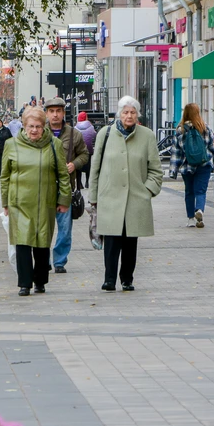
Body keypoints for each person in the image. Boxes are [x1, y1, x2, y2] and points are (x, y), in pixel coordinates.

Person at [88, 96, 163, 292]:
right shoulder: (105, 133)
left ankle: (127, 279)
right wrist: (94, 197)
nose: (129, 116)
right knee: (111, 241)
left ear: (137, 115)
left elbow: (156, 169)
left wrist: (148, 190)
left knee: (131, 242)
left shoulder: (147, 136)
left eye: (132, 112)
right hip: (110, 197)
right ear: (119, 114)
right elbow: (94, 168)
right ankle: (109, 279)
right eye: (125, 112)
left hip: (135, 198)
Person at [1, 107, 70, 296]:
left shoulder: (54, 144)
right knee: (22, 242)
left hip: (44, 201)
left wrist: (64, 199)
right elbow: (5, 176)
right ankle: (24, 283)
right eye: (30, 126)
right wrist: (5, 202)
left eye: (38, 126)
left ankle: (40, 281)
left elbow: (63, 175)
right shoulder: (11, 144)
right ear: (23, 126)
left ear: (44, 126)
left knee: (41, 242)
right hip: (19, 202)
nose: (34, 130)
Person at [44, 97, 89, 273]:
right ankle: (44, 258)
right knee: (44, 227)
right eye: (51, 111)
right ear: (47, 113)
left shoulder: (74, 134)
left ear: (63, 113)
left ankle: (60, 261)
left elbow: (85, 155)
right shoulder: (40, 132)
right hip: (45, 187)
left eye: (58, 111)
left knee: (64, 229)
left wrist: (75, 164)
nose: (55, 115)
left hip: (65, 188)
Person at [169, 103, 214, 229]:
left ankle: (191, 219)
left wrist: (173, 171)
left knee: (189, 192)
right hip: (204, 164)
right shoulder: (205, 128)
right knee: (201, 191)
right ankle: (200, 210)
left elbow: (176, 152)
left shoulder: (180, 130)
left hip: (187, 166)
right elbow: (212, 149)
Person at [75, 111, 97, 189]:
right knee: (88, 166)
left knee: (78, 167)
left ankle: (79, 183)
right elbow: (94, 134)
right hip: (89, 149)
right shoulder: (90, 126)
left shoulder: (75, 127)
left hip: (78, 150)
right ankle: (87, 182)